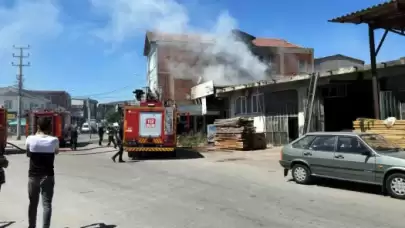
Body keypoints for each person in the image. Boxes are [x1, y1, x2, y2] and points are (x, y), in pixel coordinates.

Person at [25, 117, 59, 228]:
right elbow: (56, 152)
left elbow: (28, 154)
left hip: (33, 176)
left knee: (33, 204)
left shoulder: (30, 138)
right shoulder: (54, 140)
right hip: (48, 175)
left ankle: (32, 226)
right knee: (47, 204)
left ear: (38, 126)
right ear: (49, 127)